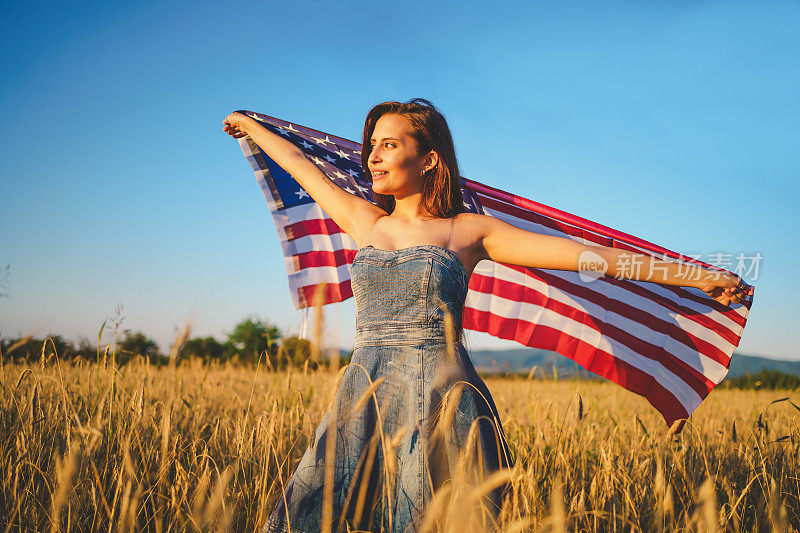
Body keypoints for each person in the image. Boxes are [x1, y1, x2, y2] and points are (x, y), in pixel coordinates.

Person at [223, 99, 747, 532]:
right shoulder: (366, 223)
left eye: (389, 145)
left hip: (444, 402)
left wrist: (697, 276)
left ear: (429, 159)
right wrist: (250, 125)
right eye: (371, 147)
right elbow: (299, 165)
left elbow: (592, 259)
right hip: (365, 399)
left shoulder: (469, 232)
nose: (374, 159)